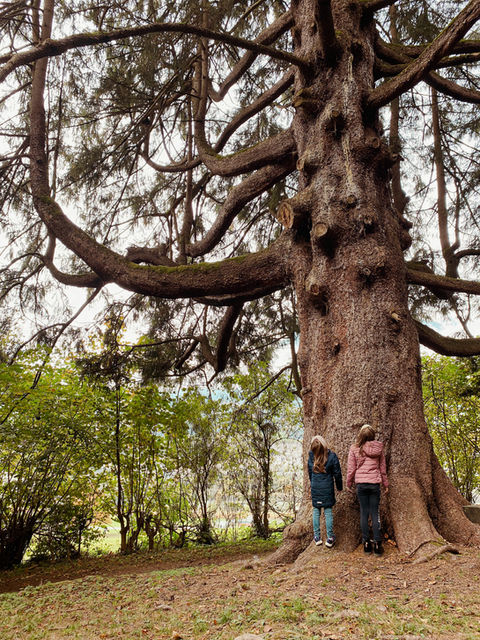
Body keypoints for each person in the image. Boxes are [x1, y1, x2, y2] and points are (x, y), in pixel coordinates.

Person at [346, 424, 389, 555]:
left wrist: (348, 483)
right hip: (374, 484)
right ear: (372, 435)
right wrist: (386, 484)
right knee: (375, 513)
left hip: (361, 485)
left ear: (360, 435)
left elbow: (351, 469)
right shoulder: (379, 449)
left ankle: (366, 543)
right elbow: (383, 469)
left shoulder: (354, 448)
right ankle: (377, 544)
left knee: (364, 513)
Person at [308, 434, 343, 548]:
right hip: (327, 487)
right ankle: (330, 537)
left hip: (315, 486)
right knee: (328, 511)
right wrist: (339, 487)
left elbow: (310, 471)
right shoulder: (332, 456)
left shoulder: (311, 455)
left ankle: (317, 537)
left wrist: (312, 483)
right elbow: (337, 474)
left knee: (316, 510)